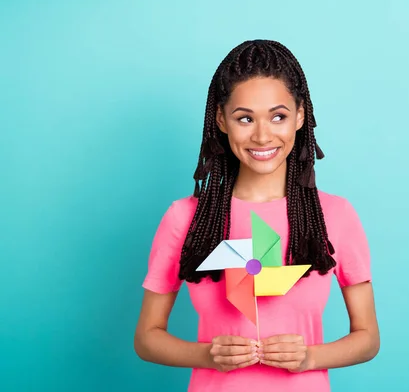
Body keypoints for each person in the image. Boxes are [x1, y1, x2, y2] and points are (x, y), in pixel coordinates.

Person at [134, 39, 380, 391]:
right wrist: (207, 356)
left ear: (300, 116)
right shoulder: (184, 218)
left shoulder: (335, 215)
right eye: (245, 118)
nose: (262, 135)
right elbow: (146, 338)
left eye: (278, 116)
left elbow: (368, 338)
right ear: (221, 120)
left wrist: (310, 357)